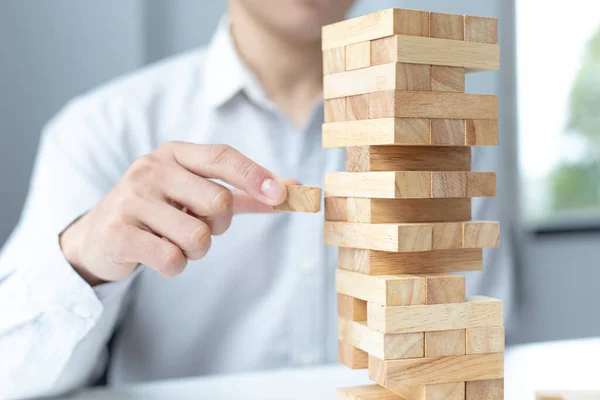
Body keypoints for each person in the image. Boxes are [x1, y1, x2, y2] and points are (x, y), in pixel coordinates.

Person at [0, 0, 514, 398]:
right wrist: (83, 258)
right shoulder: (102, 129)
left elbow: (464, 361)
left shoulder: (441, 133)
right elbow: (12, 374)